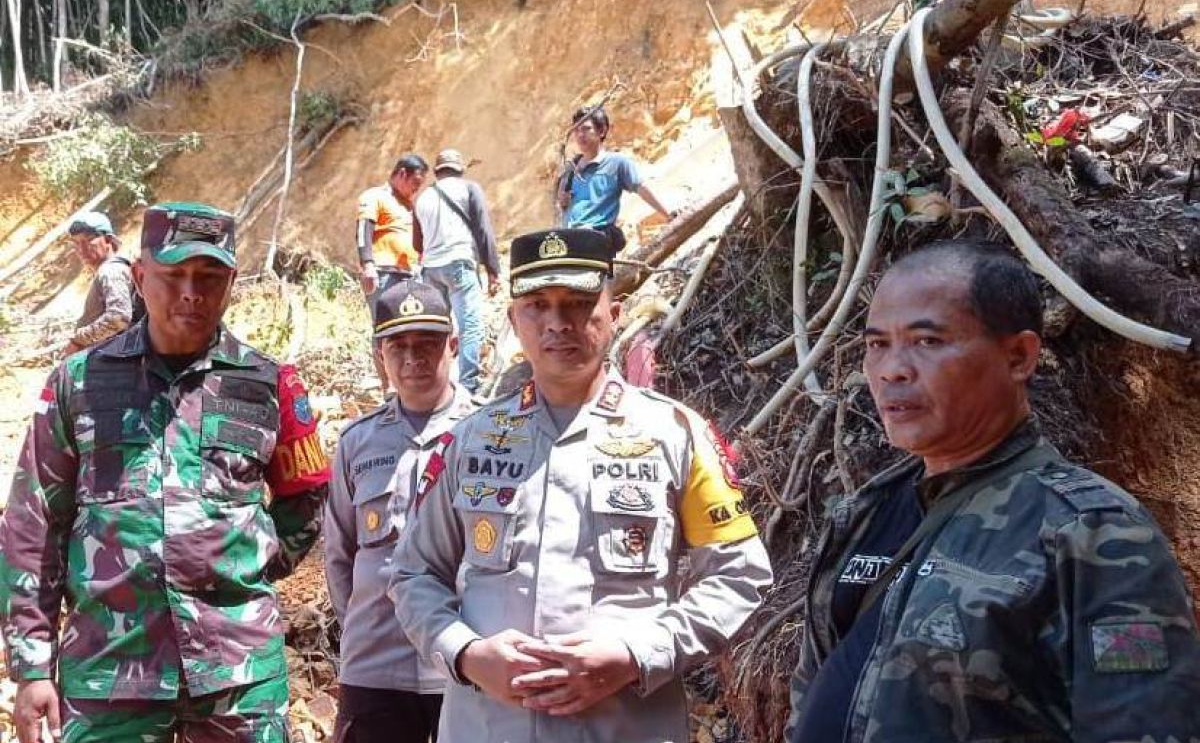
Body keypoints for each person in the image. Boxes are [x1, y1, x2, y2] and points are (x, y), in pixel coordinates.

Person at [785, 240, 1200, 743]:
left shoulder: (1091, 532)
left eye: (927, 341)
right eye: (877, 345)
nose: (892, 369)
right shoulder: (866, 515)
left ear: (1019, 356)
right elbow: (812, 694)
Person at [389, 227, 772, 742]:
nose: (558, 323)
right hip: (487, 727)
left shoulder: (677, 435)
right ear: (513, 322)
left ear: (614, 313)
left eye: (578, 302)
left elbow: (738, 574)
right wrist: (466, 653)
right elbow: (413, 573)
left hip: (626, 728)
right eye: (537, 305)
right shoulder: (470, 442)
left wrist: (636, 656)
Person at [0, 202, 332, 743]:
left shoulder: (270, 383)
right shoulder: (77, 382)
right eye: (173, 274)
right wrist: (32, 666)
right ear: (139, 276)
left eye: (209, 276)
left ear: (232, 280)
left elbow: (309, 493)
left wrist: (249, 561)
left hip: (238, 672)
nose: (191, 293)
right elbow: (32, 522)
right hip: (109, 669)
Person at [325, 279, 475, 743]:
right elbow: (339, 557)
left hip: (466, 665)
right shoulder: (357, 442)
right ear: (380, 356)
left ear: (453, 344)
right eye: (398, 346)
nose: (413, 359)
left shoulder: (490, 435)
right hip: (376, 665)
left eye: (428, 343)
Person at [413, 148, 502, 394]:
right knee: (470, 325)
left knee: (438, 328)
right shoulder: (469, 189)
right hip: (459, 264)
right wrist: (493, 270)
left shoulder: (423, 198)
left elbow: (417, 245)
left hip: (430, 268)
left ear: (437, 171)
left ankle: (436, 384)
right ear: (460, 169)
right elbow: (484, 231)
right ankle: (469, 384)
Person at [555, 106, 672, 254]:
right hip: (570, 242)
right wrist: (562, 200)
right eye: (576, 130)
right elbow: (564, 206)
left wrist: (668, 215)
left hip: (597, 239)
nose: (580, 135)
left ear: (602, 131)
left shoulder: (616, 163)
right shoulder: (570, 170)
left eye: (586, 129)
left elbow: (642, 188)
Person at [357, 154, 427, 387]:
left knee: (406, 327)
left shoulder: (409, 205)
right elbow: (362, 231)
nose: (416, 189)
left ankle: (404, 381)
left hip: (409, 273)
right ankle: (387, 385)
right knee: (384, 327)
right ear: (402, 174)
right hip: (383, 272)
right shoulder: (374, 196)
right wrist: (367, 264)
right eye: (414, 183)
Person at [64, 210, 136, 355]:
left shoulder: (110, 271)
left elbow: (119, 317)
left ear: (108, 240)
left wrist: (78, 340)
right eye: (77, 243)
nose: (81, 249)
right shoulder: (111, 269)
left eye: (88, 240)